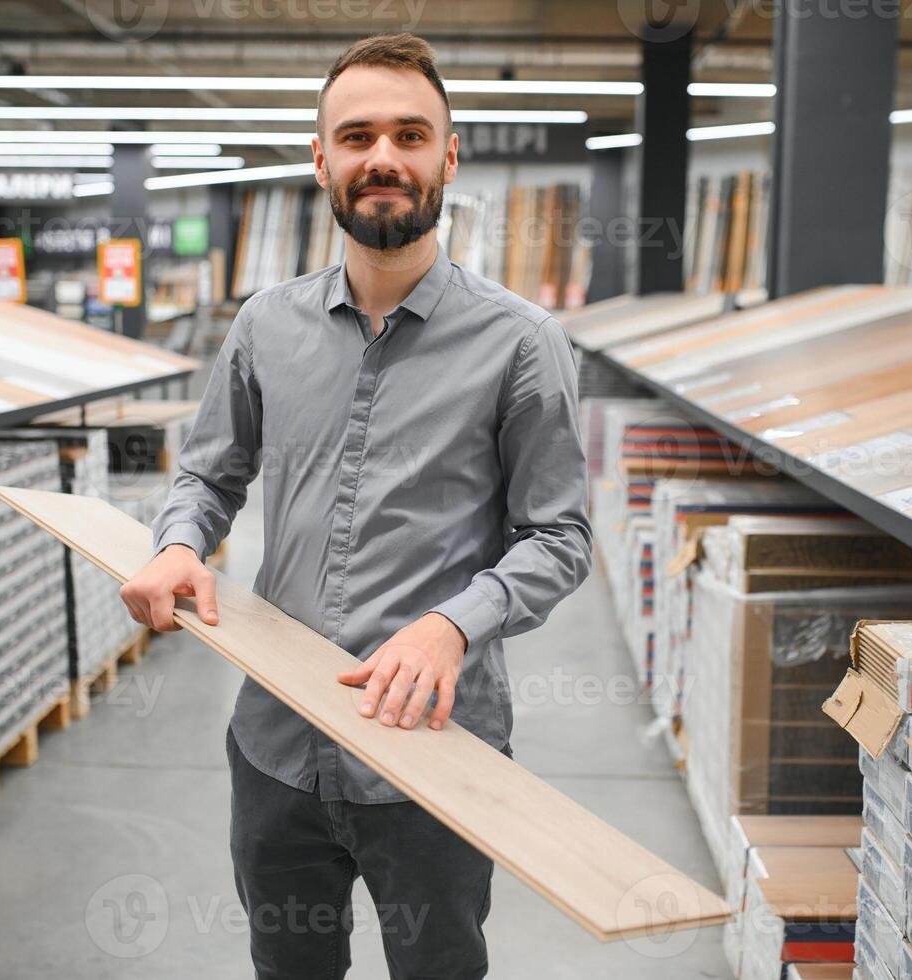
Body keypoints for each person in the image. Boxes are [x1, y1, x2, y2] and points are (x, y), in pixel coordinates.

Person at [120, 31, 592, 980]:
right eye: (359, 136)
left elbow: (559, 536)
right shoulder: (264, 325)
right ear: (322, 159)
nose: (384, 158)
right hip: (276, 749)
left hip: (436, 753)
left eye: (411, 136)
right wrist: (179, 543)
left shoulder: (521, 344)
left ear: (447, 158)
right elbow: (210, 475)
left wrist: (451, 628)